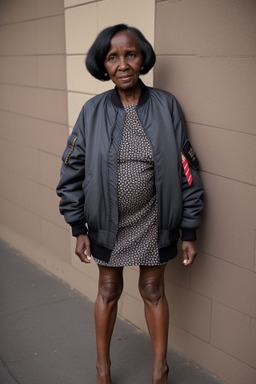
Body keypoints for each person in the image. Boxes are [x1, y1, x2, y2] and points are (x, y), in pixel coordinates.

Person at [56, 24, 204, 384]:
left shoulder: (167, 105)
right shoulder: (92, 111)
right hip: (109, 223)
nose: (122, 64)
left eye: (130, 54)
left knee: (153, 290)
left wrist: (189, 227)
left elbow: (187, 169)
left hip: (155, 220)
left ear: (142, 59)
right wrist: (78, 228)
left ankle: (159, 370)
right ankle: (102, 368)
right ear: (102, 65)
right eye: (112, 57)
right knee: (108, 289)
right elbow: (71, 169)